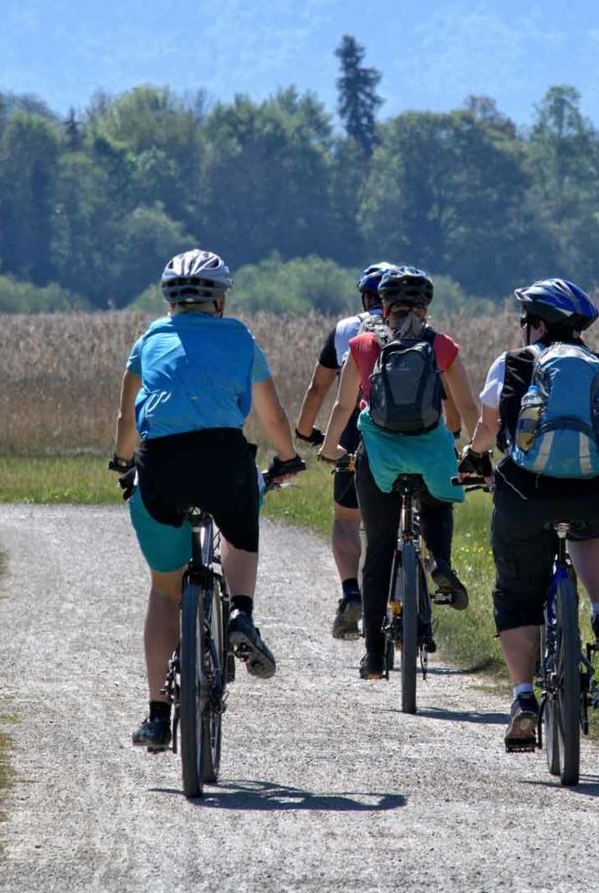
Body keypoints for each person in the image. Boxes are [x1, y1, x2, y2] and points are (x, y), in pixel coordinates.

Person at [112, 249, 305, 751]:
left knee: (164, 591)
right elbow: (274, 417)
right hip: (224, 461)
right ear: (219, 300)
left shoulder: (149, 339)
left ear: (170, 301)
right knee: (241, 520)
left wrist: (122, 461)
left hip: (161, 469)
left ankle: (157, 715)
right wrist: (287, 459)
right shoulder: (240, 338)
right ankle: (240, 612)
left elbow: (126, 424)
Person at [458, 278, 599, 748]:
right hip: (595, 492)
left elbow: (488, 426)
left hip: (525, 494)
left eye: (525, 321)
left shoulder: (513, 363)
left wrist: (474, 459)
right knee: (590, 528)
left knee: (516, 593)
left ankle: (522, 698)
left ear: (538, 324)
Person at [320, 265, 479, 679]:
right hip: (430, 454)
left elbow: (342, 407)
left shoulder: (362, 343)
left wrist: (329, 446)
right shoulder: (442, 345)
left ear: (382, 305)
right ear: (426, 308)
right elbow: (467, 409)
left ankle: (374, 656)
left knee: (377, 552)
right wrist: (473, 450)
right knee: (439, 503)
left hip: (380, 458)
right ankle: (439, 562)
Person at [292, 262, 394, 639]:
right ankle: (427, 574)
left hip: (355, 430)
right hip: (410, 434)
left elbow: (319, 389)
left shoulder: (347, 330)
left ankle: (351, 591)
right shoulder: (418, 329)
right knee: (412, 510)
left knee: (347, 518)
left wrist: (306, 431)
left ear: (365, 296)